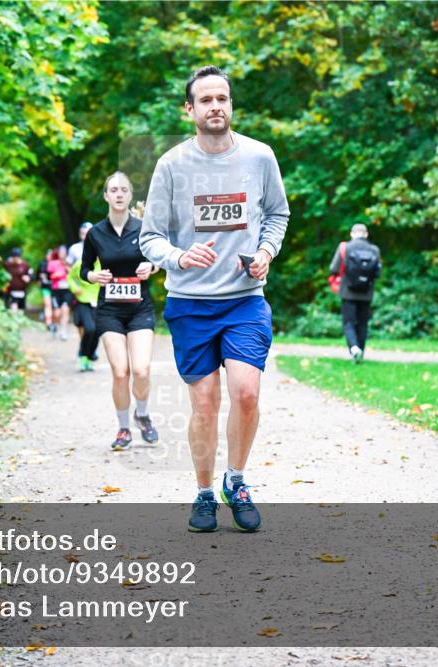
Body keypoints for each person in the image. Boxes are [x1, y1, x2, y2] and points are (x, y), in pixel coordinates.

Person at [140, 65, 289, 533]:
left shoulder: (259, 157)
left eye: (222, 98)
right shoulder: (171, 165)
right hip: (190, 304)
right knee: (204, 404)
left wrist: (265, 252)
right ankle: (204, 493)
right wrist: (180, 257)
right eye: (205, 100)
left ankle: (236, 481)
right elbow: (150, 237)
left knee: (246, 393)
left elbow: (277, 214)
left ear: (231, 104)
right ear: (190, 110)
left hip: (244, 300)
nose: (215, 106)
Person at [83, 171, 161, 451]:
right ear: (106, 196)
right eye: (113, 190)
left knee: (141, 370)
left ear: (130, 195)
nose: (118, 194)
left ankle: (143, 415)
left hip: (140, 309)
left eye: (123, 190)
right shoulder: (95, 233)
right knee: (120, 372)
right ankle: (124, 428)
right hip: (110, 311)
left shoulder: (144, 228)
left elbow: (159, 259)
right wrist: (94, 276)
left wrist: (151, 267)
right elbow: (84, 269)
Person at [329, 223, 382, 363]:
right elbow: (378, 273)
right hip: (366, 293)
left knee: (349, 322)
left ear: (352, 234)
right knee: (363, 324)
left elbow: (333, 268)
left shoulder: (345, 247)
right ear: (366, 234)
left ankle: (354, 349)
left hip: (348, 292)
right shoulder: (374, 249)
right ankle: (361, 353)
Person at [69, 255, 100, 371]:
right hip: (83, 300)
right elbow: (70, 278)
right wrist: (75, 288)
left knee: (97, 331)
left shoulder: (105, 263)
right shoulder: (80, 263)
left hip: (99, 301)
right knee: (90, 329)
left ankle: (89, 358)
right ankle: (82, 357)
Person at [47, 245, 72, 341]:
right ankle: (54, 324)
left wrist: (67, 268)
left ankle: (63, 331)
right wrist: (55, 275)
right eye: (61, 253)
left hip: (67, 290)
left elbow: (75, 275)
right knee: (57, 313)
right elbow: (48, 277)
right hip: (56, 290)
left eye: (64, 253)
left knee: (65, 310)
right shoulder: (52, 263)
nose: (63, 255)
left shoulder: (69, 263)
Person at [3, 247, 31, 312]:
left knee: (21, 309)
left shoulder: (25, 265)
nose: (15, 259)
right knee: (13, 306)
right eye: (14, 257)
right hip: (10, 290)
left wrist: (28, 278)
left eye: (16, 257)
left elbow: (30, 274)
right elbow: (1, 273)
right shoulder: (7, 264)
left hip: (21, 290)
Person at [37, 249, 54, 332]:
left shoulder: (56, 264)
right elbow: (38, 275)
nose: (50, 256)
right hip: (46, 287)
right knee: (48, 304)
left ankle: (51, 320)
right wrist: (41, 280)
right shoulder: (43, 264)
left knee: (53, 305)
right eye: (48, 255)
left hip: (55, 288)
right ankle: (48, 322)